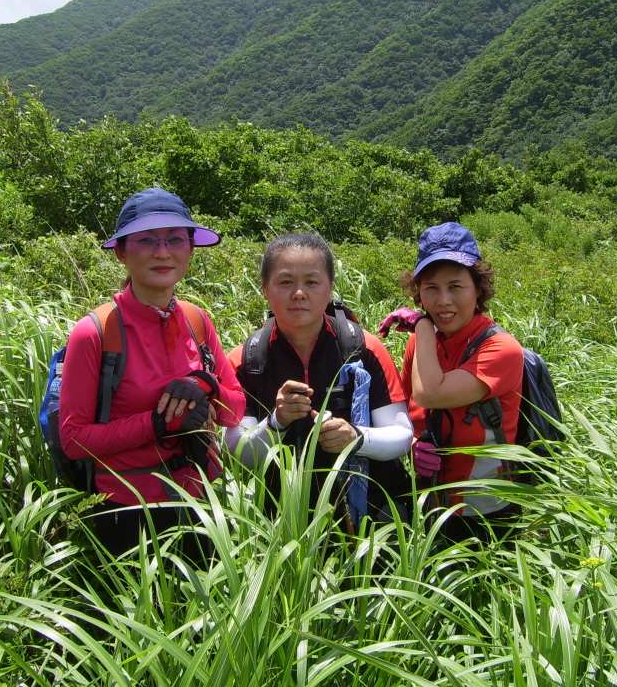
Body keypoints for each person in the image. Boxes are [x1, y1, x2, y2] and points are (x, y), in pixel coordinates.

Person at [58, 187, 245, 557]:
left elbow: (234, 409)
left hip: (199, 501)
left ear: (191, 249)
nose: (163, 252)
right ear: (122, 253)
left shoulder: (196, 319)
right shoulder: (96, 332)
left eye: (175, 239)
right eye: (146, 240)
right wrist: (159, 423)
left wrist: (204, 384)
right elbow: (73, 439)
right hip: (124, 509)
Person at [225, 233, 413, 529]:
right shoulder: (245, 360)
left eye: (312, 282)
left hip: (367, 513)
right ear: (264, 288)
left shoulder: (365, 348)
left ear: (330, 288)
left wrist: (356, 437)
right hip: (278, 519)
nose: (299, 293)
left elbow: (402, 436)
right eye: (285, 282)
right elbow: (238, 453)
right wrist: (277, 423)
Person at [379, 222, 523, 544]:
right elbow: (411, 408)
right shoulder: (424, 342)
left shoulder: (500, 348)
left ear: (478, 288)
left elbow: (431, 393)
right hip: (431, 498)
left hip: (486, 506)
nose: (443, 300)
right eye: (431, 288)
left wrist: (423, 327)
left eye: (456, 286)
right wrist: (415, 444)